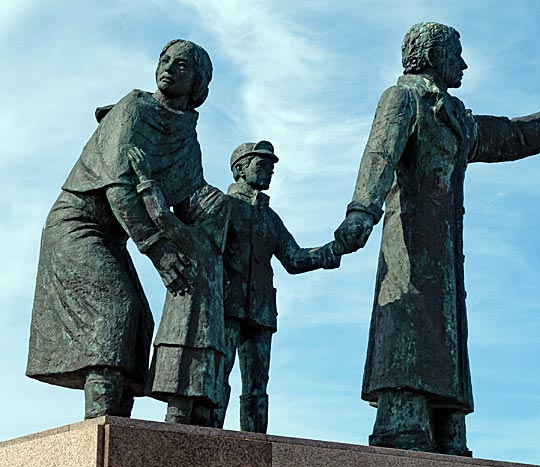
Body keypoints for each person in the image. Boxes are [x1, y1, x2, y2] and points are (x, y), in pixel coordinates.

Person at [334, 22, 540, 455]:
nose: (464, 64)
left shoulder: (456, 116)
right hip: (411, 244)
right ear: (432, 55)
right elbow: (379, 155)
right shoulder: (405, 98)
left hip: (446, 255)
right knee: (410, 324)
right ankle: (404, 415)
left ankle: (445, 420)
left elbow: (512, 135)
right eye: (456, 54)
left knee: (447, 334)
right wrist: (361, 212)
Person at [26, 39, 213, 419]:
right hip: (76, 224)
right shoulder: (134, 108)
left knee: (138, 323)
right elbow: (119, 187)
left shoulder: (186, 139)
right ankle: (99, 428)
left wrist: (233, 219)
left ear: (198, 82)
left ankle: (118, 427)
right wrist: (157, 249)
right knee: (118, 311)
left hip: (113, 236)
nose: (169, 67)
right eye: (165, 60)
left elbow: (193, 201)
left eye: (181, 65)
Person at [213, 140, 342, 432]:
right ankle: (209, 439)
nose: (269, 171)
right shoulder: (224, 206)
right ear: (240, 169)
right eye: (262, 165)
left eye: (271, 167)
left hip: (261, 313)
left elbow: (294, 259)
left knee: (258, 385)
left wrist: (331, 251)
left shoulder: (271, 219)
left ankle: (255, 444)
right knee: (217, 376)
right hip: (226, 306)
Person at [128, 146, 230, 426]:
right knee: (200, 414)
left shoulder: (196, 243)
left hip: (186, 339)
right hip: (207, 344)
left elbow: (161, 216)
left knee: (179, 409)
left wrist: (144, 177)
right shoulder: (213, 256)